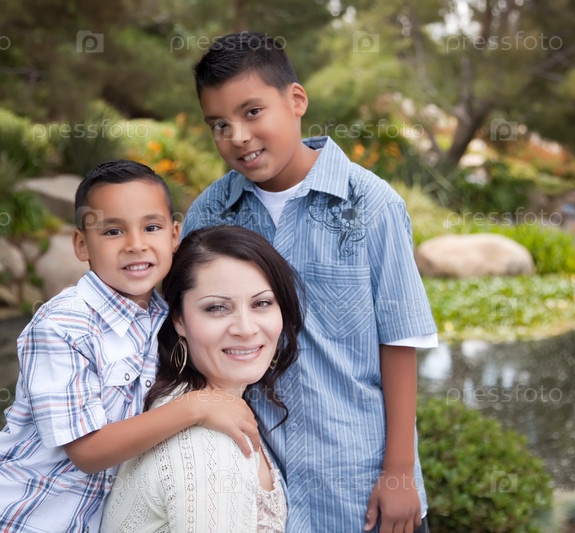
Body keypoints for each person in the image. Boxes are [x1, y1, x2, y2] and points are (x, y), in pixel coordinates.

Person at [183, 32, 438, 533]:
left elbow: (399, 340)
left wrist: (400, 472)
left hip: (358, 488)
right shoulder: (209, 215)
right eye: (220, 124)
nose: (238, 136)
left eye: (252, 112)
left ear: (296, 100)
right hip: (253, 495)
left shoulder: (371, 205)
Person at [0, 160, 261, 533]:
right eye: (113, 231)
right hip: (12, 517)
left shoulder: (164, 317)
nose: (136, 245)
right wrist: (197, 407)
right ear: (82, 244)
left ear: (174, 235)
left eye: (152, 227)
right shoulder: (64, 325)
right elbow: (88, 452)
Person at [101, 225, 302, 532]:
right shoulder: (207, 444)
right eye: (217, 308)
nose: (246, 328)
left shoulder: (213, 405)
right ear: (179, 319)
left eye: (261, 303)